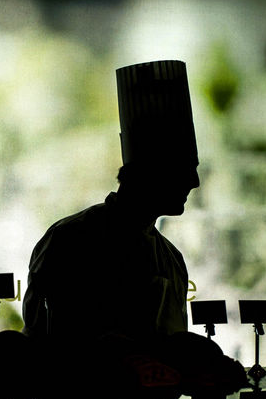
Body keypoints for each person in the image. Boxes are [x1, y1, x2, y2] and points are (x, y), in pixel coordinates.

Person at [23, 60, 199, 347]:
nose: (194, 182)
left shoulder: (171, 258)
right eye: (184, 169)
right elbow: (43, 350)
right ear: (150, 174)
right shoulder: (69, 241)